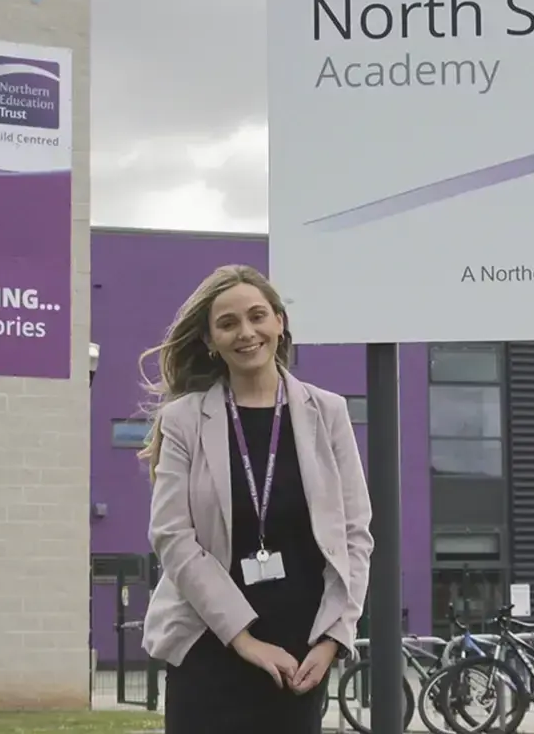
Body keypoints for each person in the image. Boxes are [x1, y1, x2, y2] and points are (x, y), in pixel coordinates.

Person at [137, 264, 374, 733]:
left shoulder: (328, 412)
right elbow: (173, 537)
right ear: (210, 340)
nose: (246, 332)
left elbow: (354, 537)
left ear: (279, 322)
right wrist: (244, 639)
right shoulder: (184, 420)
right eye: (228, 323)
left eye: (257, 316)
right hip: (207, 640)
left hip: (299, 650)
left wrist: (332, 639)